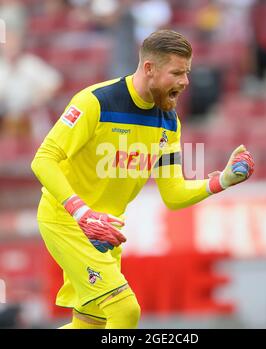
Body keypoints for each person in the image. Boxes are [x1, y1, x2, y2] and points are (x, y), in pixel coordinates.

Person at [31, 29, 254, 329]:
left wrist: (222, 181)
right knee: (125, 312)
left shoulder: (169, 122)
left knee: (90, 325)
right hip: (67, 222)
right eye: (176, 72)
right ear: (149, 68)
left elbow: (173, 194)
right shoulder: (96, 102)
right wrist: (81, 212)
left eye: (186, 73)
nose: (185, 82)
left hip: (105, 232)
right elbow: (43, 159)